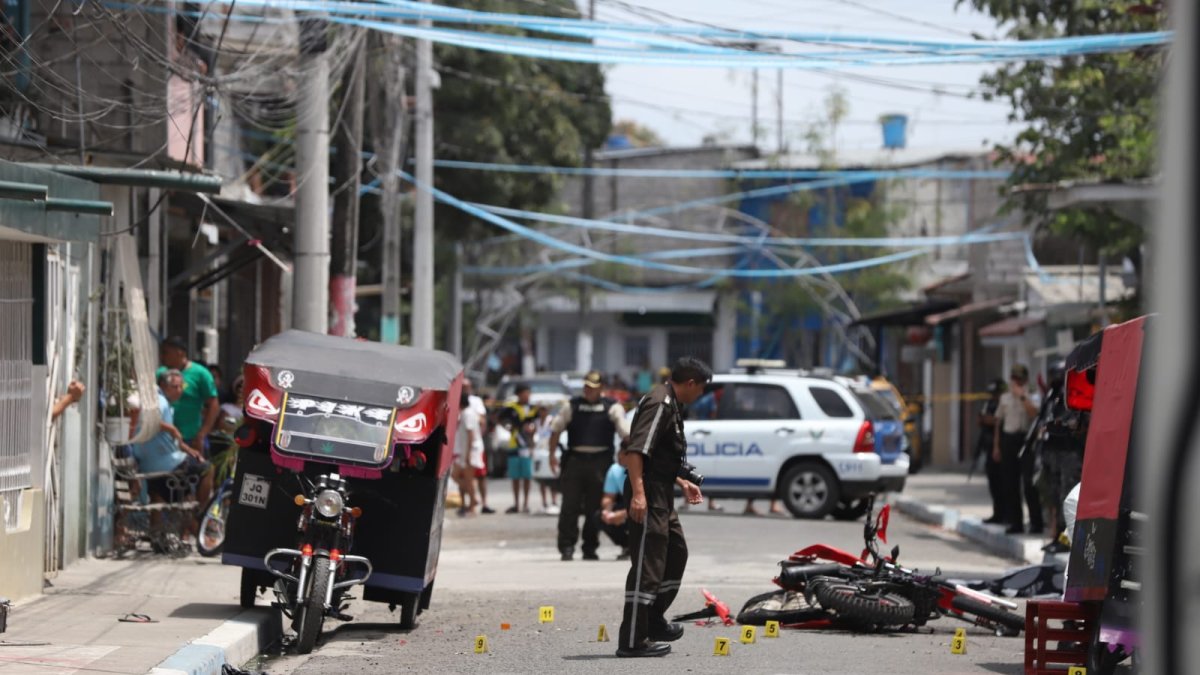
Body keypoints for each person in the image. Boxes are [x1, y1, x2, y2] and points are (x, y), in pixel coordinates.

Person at [617, 357, 709, 658]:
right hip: (648, 493)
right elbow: (635, 452)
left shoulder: (670, 402)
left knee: (675, 552)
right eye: (701, 389)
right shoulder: (660, 403)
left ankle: (653, 620)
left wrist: (682, 481)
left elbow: (662, 456)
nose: (701, 395)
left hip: (661, 492)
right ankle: (632, 640)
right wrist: (639, 495)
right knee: (647, 565)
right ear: (691, 383)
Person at [549, 370, 631, 561]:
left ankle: (590, 547)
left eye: (592, 388)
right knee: (569, 506)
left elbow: (624, 431)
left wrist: (631, 453)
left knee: (594, 508)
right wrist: (552, 455)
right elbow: (555, 429)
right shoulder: (573, 406)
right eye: (586, 387)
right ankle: (567, 547)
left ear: (601, 389)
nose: (588, 391)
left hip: (600, 463)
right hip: (575, 462)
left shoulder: (612, 407)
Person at [130, 370, 208, 518]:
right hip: (167, 465)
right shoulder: (159, 400)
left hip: (148, 465)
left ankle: (161, 531)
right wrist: (172, 429)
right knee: (207, 469)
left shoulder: (157, 401)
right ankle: (203, 512)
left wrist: (186, 447)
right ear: (163, 386)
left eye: (181, 387)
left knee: (163, 497)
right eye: (175, 387)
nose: (179, 391)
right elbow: (149, 420)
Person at [1036, 359, 1084, 549]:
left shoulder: (1071, 396)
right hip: (1052, 452)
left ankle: (1066, 539)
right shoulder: (1051, 397)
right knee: (1053, 494)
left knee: (1067, 496)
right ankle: (1057, 536)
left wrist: (1060, 426)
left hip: (1068, 453)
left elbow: (1074, 422)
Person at [992, 363, 1041, 535]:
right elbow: (999, 422)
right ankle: (1015, 522)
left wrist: (1022, 396)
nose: (1017, 382)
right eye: (1014, 379)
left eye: (1020, 379)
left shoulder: (1032, 395)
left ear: (1025, 380)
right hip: (1008, 440)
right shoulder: (1005, 398)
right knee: (1010, 484)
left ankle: (1036, 522)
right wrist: (996, 446)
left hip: (1026, 440)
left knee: (1029, 483)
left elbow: (1034, 413)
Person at [157, 336, 219, 454]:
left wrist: (202, 434)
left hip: (192, 438)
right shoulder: (161, 374)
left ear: (179, 353)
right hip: (166, 440)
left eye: (165, 352)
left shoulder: (201, 374)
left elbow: (213, 405)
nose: (162, 357)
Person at [499, 383, 538, 514]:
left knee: (527, 476)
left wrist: (533, 431)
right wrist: (509, 428)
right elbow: (499, 419)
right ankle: (516, 504)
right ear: (518, 394)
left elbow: (539, 423)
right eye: (524, 393)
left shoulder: (534, 409)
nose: (527, 396)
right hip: (514, 444)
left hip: (528, 445)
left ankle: (526, 504)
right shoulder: (511, 408)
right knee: (515, 476)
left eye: (528, 393)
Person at [464, 379, 495, 514]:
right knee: (464, 475)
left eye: (467, 387)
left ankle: (483, 502)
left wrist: (479, 436)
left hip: (475, 444)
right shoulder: (457, 400)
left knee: (480, 475)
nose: (465, 389)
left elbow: (482, 420)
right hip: (462, 444)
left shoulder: (475, 402)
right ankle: (468, 502)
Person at [978, 379, 1007, 524]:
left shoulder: (1004, 403)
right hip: (989, 447)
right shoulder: (989, 404)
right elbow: (982, 419)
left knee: (1003, 484)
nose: (994, 396)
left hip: (1002, 448)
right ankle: (997, 513)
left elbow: (996, 421)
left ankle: (1005, 515)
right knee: (993, 484)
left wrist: (988, 420)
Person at [453, 392, 484, 516]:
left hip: (470, 450)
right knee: (458, 477)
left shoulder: (468, 414)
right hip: (465, 450)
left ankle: (472, 505)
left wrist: (468, 453)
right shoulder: (466, 413)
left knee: (468, 479)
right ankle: (473, 499)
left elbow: (471, 434)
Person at [594, 461, 630, 560]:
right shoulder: (615, 469)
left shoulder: (647, 469)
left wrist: (624, 514)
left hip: (646, 508)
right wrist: (608, 512)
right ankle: (628, 546)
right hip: (627, 505)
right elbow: (608, 497)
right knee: (600, 516)